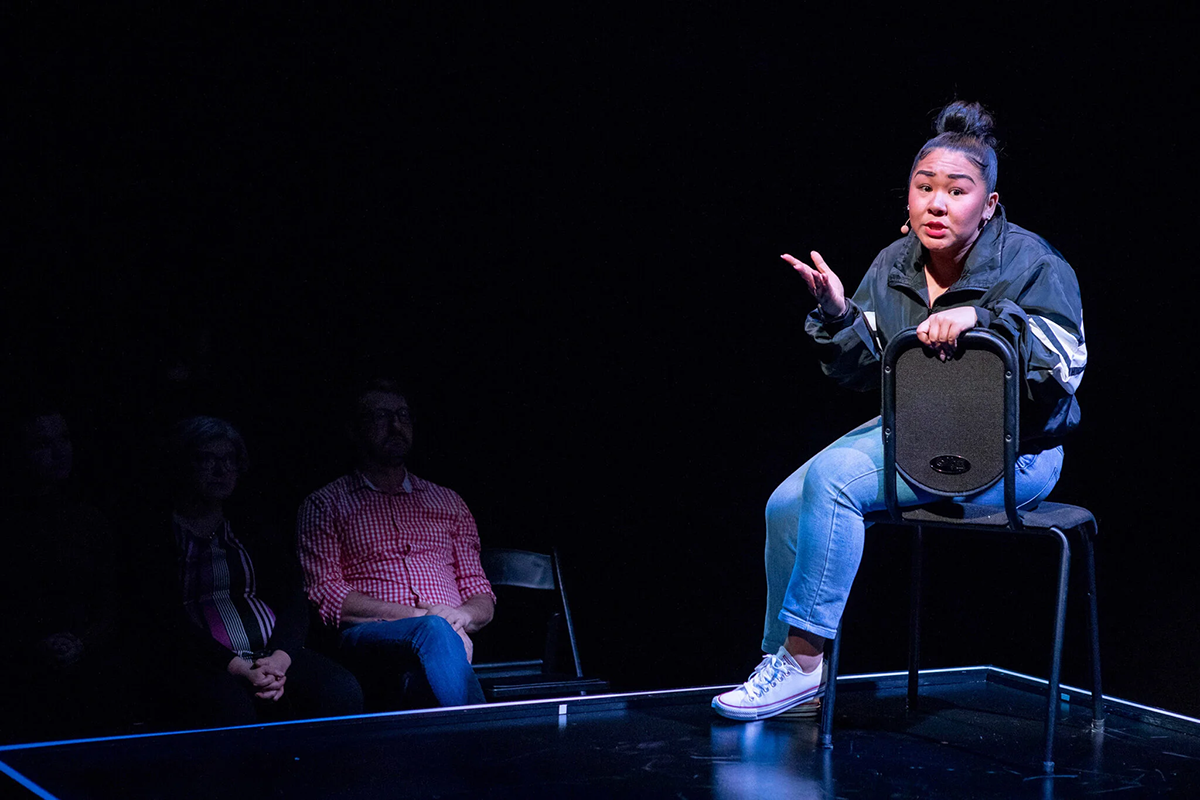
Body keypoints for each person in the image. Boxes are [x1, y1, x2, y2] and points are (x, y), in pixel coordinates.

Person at [712, 101, 1086, 721]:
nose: (937, 204)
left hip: (1013, 451)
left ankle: (805, 663)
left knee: (833, 484)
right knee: (784, 501)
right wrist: (838, 314)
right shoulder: (896, 262)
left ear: (989, 204)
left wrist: (984, 319)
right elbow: (869, 367)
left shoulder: (1035, 264)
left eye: (957, 191)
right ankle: (784, 664)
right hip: (919, 431)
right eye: (925, 188)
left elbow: (1064, 365)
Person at [147, 416, 363, 727]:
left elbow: (293, 599)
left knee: (340, 690)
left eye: (229, 459)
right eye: (208, 459)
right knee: (230, 710)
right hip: (205, 662)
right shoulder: (158, 534)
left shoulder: (252, 528)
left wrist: (279, 659)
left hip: (271, 654)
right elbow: (163, 619)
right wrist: (237, 666)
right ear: (184, 463)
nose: (221, 470)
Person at [297, 380, 495, 709]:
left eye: (403, 415)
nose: (396, 425)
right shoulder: (325, 504)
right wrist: (427, 618)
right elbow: (326, 594)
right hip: (371, 636)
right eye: (381, 416)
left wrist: (460, 617)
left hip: (448, 632)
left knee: (423, 676)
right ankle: (479, 743)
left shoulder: (448, 501)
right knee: (432, 631)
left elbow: (478, 589)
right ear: (353, 429)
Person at [0, 404, 134, 742]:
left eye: (64, 439)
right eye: (42, 444)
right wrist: (33, 645)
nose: (59, 452)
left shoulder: (89, 520)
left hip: (88, 659)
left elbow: (112, 600)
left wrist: (82, 643)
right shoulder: (12, 524)